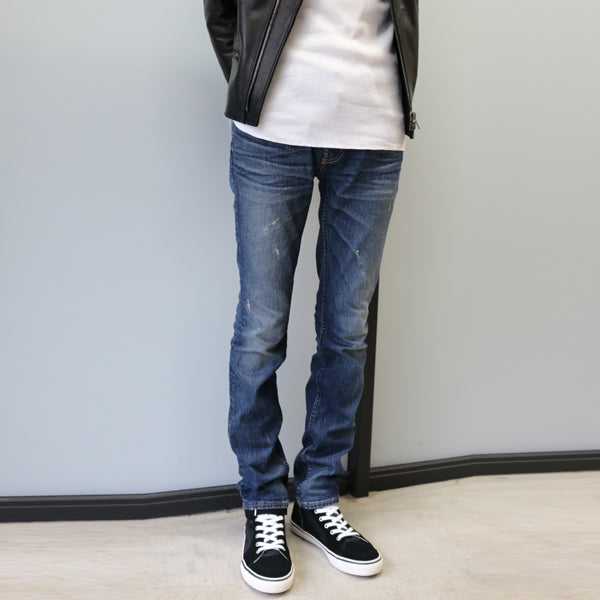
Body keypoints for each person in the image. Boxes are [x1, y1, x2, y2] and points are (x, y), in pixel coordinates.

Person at [204, 0, 419, 593]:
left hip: (374, 136)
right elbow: (222, 14)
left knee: (346, 331)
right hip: (274, 132)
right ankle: (263, 500)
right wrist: (252, 81)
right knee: (261, 328)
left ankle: (318, 495)